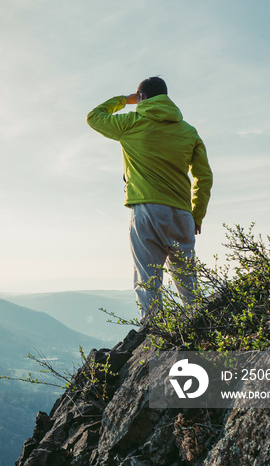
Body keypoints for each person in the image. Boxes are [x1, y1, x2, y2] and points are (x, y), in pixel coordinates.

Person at [86, 77, 213, 325]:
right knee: (189, 287)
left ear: (141, 98)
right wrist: (197, 215)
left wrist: (124, 100)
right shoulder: (189, 131)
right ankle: (206, 337)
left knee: (148, 283)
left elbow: (94, 116)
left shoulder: (131, 122)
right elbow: (204, 177)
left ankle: (156, 338)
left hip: (147, 211)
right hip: (183, 215)